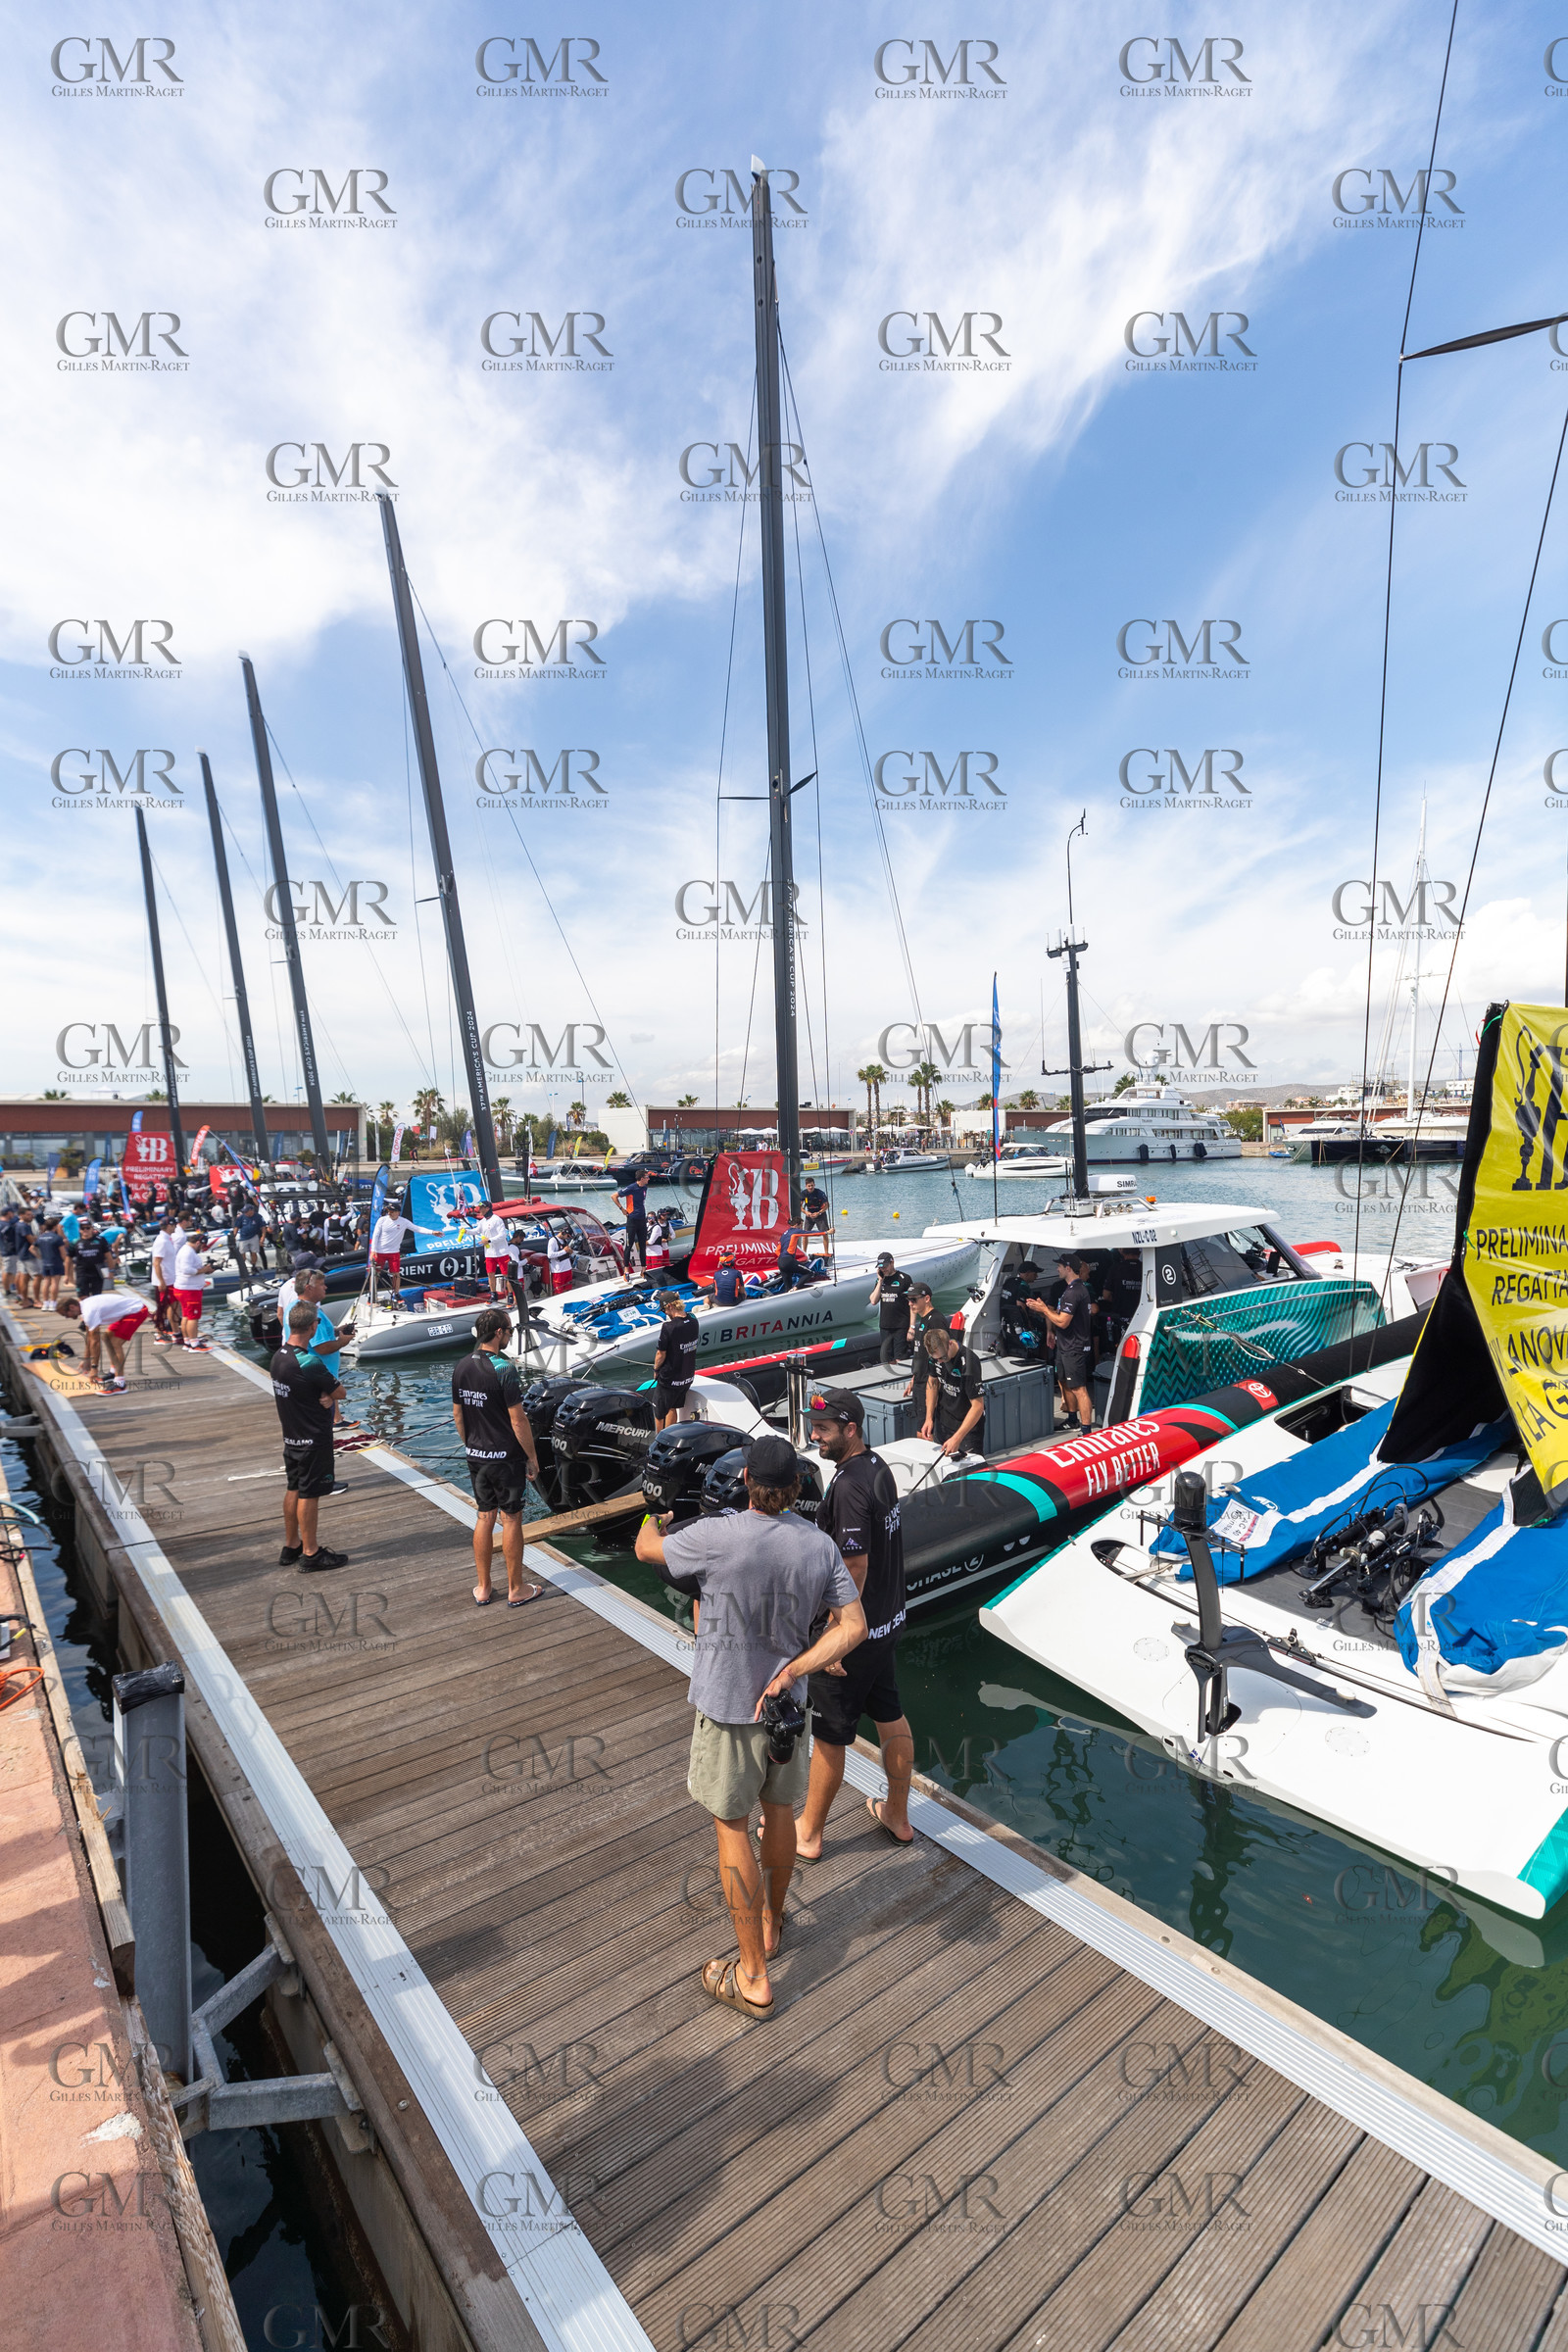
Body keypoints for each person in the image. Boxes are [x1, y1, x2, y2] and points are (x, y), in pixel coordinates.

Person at [635, 1433, 866, 2021]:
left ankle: (755, 1976)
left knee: (732, 1826)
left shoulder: (716, 1536)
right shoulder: (818, 1547)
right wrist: (794, 1670)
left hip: (729, 1709)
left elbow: (647, 1551)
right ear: (794, 1490)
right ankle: (769, 1927)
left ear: (745, 1483)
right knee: (780, 1814)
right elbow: (852, 1627)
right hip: (787, 1711)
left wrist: (650, 1508)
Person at [795, 1389, 914, 1856]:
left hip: (858, 1633)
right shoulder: (878, 1467)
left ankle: (808, 1832)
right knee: (890, 1716)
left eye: (823, 1429)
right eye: (813, 1426)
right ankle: (898, 1815)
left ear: (851, 1430)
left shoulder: (846, 1486)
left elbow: (855, 1566)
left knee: (829, 1734)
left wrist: (838, 1638)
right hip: (888, 1622)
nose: (814, 1435)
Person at [451, 1306, 545, 1607]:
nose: (511, 1336)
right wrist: (531, 1457)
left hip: (475, 1456)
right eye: (511, 1331)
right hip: (504, 1457)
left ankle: (483, 1587)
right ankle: (516, 1589)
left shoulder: (461, 1365)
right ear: (500, 1333)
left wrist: (472, 1445)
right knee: (512, 1519)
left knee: (484, 1515)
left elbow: (457, 1415)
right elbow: (518, 1420)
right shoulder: (504, 1368)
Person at [271, 1301, 348, 1572]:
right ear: (313, 1326)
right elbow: (341, 1393)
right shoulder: (309, 1361)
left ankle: (291, 1545)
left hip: (291, 1436)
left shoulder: (279, 1356)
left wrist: (321, 1396)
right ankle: (311, 1552)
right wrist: (328, 1395)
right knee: (310, 1494)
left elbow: (299, 1390)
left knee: (293, 1487)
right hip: (313, 1438)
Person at [1029, 1250, 1097, 1434]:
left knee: (1079, 1388)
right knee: (1064, 1382)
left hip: (1075, 1346)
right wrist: (1051, 1332)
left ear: (1068, 1268)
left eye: (1059, 1266)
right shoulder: (1069, 1290)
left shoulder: (1074, 1292)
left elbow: (1063, 1321)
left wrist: (1043, 1309)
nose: (1057, 1269)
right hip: (1064, 1345)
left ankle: (1086, 1430)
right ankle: (1072, 1419)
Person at [57, 1288, 151, 1391]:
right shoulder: (84, 1308)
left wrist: (94, 1368)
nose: (66, 1317)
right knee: (107, 1337)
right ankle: (113, 1372)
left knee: (115, 1344)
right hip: (126, 1313)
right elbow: (90, 1337)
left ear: (72, 1307)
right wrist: (86, 1358)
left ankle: (120, 1384)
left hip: (137, 1311)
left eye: (65, 1314)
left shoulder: (89, 1312)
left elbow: (95, 1342)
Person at [920, 1321, 986, 1459]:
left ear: (950, 1343)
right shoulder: (935, 1358)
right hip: (944, 1420)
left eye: (943, 1357)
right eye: (936, 1359)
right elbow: (932, 1382)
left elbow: (978, 1406)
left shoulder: (968, 1363)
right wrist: (929, 1418)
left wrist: (958, 1438)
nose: (940, 1362)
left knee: (970, 1473)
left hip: (967, 1427)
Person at [652, 1287, 700, 1428]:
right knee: (672, 1408)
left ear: (670, 1306)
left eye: (665, 1310)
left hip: (669, 1379)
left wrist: (655, 1370)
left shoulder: (668, 1327)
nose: (666, 1314)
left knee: (659, 1412)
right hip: (686, 1377)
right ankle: (670, 1436)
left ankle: (658, 1443)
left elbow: (661, 1354)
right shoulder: (693, 1320)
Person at [871, 1251, 913, 1371]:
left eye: (885, 1266)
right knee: (886, 1358)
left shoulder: (904, 1279)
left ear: (892, 1262)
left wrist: (912, 1327)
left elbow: (913, 1305)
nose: (883, 1269)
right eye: (880, 1267)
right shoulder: (880, 1281)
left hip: (901, 1325)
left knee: (900, 1358)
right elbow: (873, 1301)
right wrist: (880, 1281)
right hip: (885, 1326)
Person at [172, 1228, 212, 1348]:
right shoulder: (188, 1252)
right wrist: (203, 1270)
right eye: (202, 1245)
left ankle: (188, 1341)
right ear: (198, 1243)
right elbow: (186, 1270)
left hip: (184, 1288)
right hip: (189, 1290)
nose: (202, 1248)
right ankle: (194, 1344)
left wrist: (204, 1270)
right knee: (193, 1317)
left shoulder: (186, 1250)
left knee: (186, 1316)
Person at [149, 1214, 183, 1343]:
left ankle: (174, 1332)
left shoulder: (167, 1239)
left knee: (173, 1306)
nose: (175, 1227)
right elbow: (156, 1262)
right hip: (165, 1280)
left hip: (170, 1278)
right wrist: (161, 1281)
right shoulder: (162, 1241)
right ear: (169, 1226)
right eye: (174, 1225)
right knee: (165, 1307)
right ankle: (161, 1333)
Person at [369, 1200, 415, 1298]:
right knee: (375, 1273)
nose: (389, 1213)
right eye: (388, 1211)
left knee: (396, 1274)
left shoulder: (404, 1222)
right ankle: (372, 1293)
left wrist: (432, 1232)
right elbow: (376, 1235)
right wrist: (373, 1251)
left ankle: (396, 1293)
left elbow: (417, 1228)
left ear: (398, 1212)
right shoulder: (382, 1220)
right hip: (380, 1252)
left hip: (394, 1252)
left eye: (392, 1211)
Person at [901, 1281, 936, 1402]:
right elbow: (920, 1354)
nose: (910, 1304)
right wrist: (914, 1379)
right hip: (919, 1383)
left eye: (914, 1300)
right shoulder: (923, 1321)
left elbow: (939, 1359)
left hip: (929, 1385)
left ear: (926, 1299)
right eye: (908, 1300)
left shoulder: (935, 1321)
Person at [71, 1219, 116, 1301]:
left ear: (92, 1229)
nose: (85, 1230)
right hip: (82, 1272)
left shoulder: (100, 1240)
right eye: (83, 1228)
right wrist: (68, 1275)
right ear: (80, 1230)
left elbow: (108, 1256)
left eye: (88, 1228)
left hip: (97, 1272)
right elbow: (68, 1259)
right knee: (83, 1296)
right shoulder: (76, 1242)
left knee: (97, 1296)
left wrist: (111, 1270)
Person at [617, 1170, 650, 1270]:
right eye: (647, 1177)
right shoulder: (631, 1188)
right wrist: (622, 1209)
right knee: (629, 1245)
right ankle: (626, 1269)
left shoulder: (644, 1187)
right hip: (632, 1220)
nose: (648, 1178)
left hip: (642, 1220)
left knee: (643, 1245)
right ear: (641, 1178)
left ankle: (643, 1268)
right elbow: (614, 1196)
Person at [478, 1202, 513, 1299]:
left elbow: (502, 1235)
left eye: (481, 1207)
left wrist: (489, 1240)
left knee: (506, 1275)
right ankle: (493, 1294)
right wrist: (466, 1231)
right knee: (490, 1274)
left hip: (501, 1252)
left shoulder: (497, 1220)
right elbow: (477, 1231)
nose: (479, 1209)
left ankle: (510, 1295)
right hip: (489, 1253)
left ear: (487, 1208)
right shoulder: (482, 1221)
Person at [34, 1215, 66, 1308]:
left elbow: (32, 1248)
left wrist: (39, 1256)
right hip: (56, 1261)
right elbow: (63, 1253)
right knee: (55, 1283)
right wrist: (65, 1261)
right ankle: (53, 1302)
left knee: (46, 1282)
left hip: (45, 1261)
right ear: (55, 1226)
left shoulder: (41, 1237)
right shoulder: (57, 1238)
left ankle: (45, 1303)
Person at [801, 1180, 831, 1249]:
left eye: (812, 1185)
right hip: (809, 1214)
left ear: (814, 1185)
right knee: (805, 1234)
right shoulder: (803, 1193)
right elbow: (799, 1206)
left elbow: (827, 1205)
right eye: (809, 1186)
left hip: (820, 1214)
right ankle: (804, 1253)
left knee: (825, 1233)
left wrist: (819, 1212)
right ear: (806, 1186)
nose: (811, 1187)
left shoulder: (820, 1193)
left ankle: (826, 1252)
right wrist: (805, 1212)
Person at [546, 1226, 573, 1294]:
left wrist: (570, 1252)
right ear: (563, 1233)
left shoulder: (564, 1240)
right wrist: (564, 1251)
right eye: (568, 1236)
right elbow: (550, 1255)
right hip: (559, 1271)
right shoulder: (553, 1241)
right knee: (559, 1291)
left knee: (569, 1290)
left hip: (567, 1268)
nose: (568, 1238)